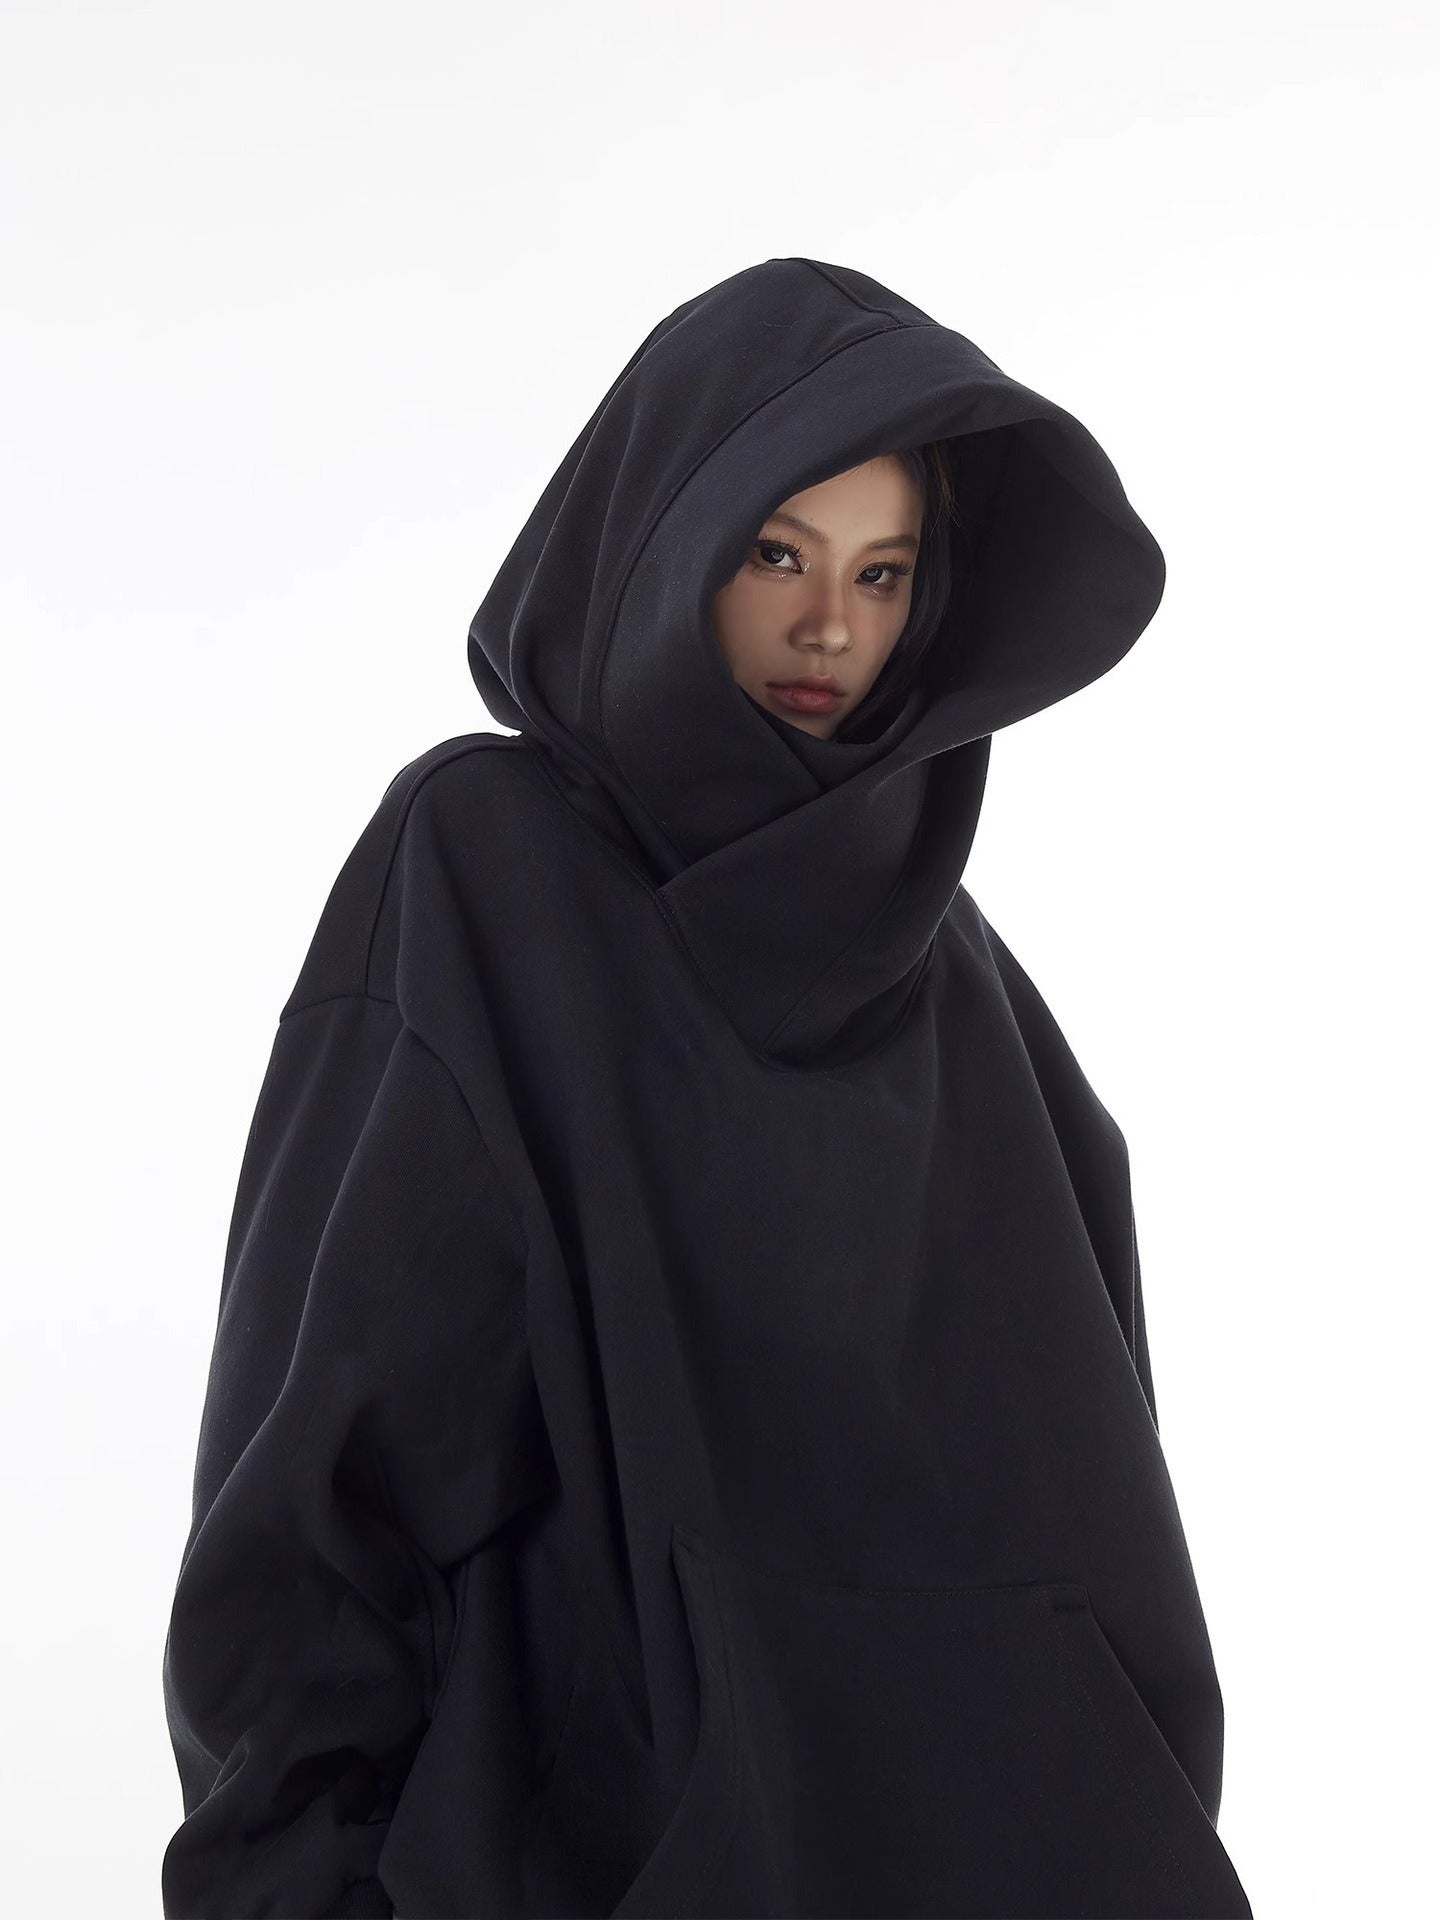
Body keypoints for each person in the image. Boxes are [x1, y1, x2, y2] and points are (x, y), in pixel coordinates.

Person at [160, 256, 1254, 1919]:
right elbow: (325, 1477)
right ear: (664, 544)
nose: (831, 627)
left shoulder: (963, 977)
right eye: (776, 554)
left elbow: (1106, 1506)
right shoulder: (487, 873)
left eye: (884, 572)